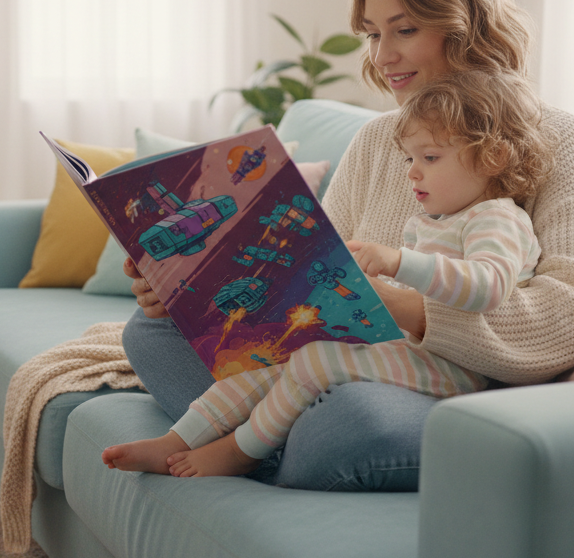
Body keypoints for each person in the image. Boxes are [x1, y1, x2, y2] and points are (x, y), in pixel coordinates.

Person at [118, 0, 574, 492]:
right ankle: (273, 450)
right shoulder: (376, 140)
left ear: (469, 25)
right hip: (340, 364)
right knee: (148, 332)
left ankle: (254, 446)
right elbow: (309, 273)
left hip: (456, 384)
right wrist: (187, 289)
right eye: (372, 34)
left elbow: (572, 317)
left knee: (351, 419)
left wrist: (411, 309)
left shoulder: (558, 139)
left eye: (404, 30)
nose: (383, 57)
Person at [104, 68, 549, 477]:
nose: (412, 172)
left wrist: (398, 263)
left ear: (491, 157)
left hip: (456, 371)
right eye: (409, 159)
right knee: (271, 357)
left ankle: (239, 453)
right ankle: (179, 438)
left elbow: (488, 288)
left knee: (315, 359)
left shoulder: (498, 218)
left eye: (429, 157)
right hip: (411, 351)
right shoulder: (437, 220)